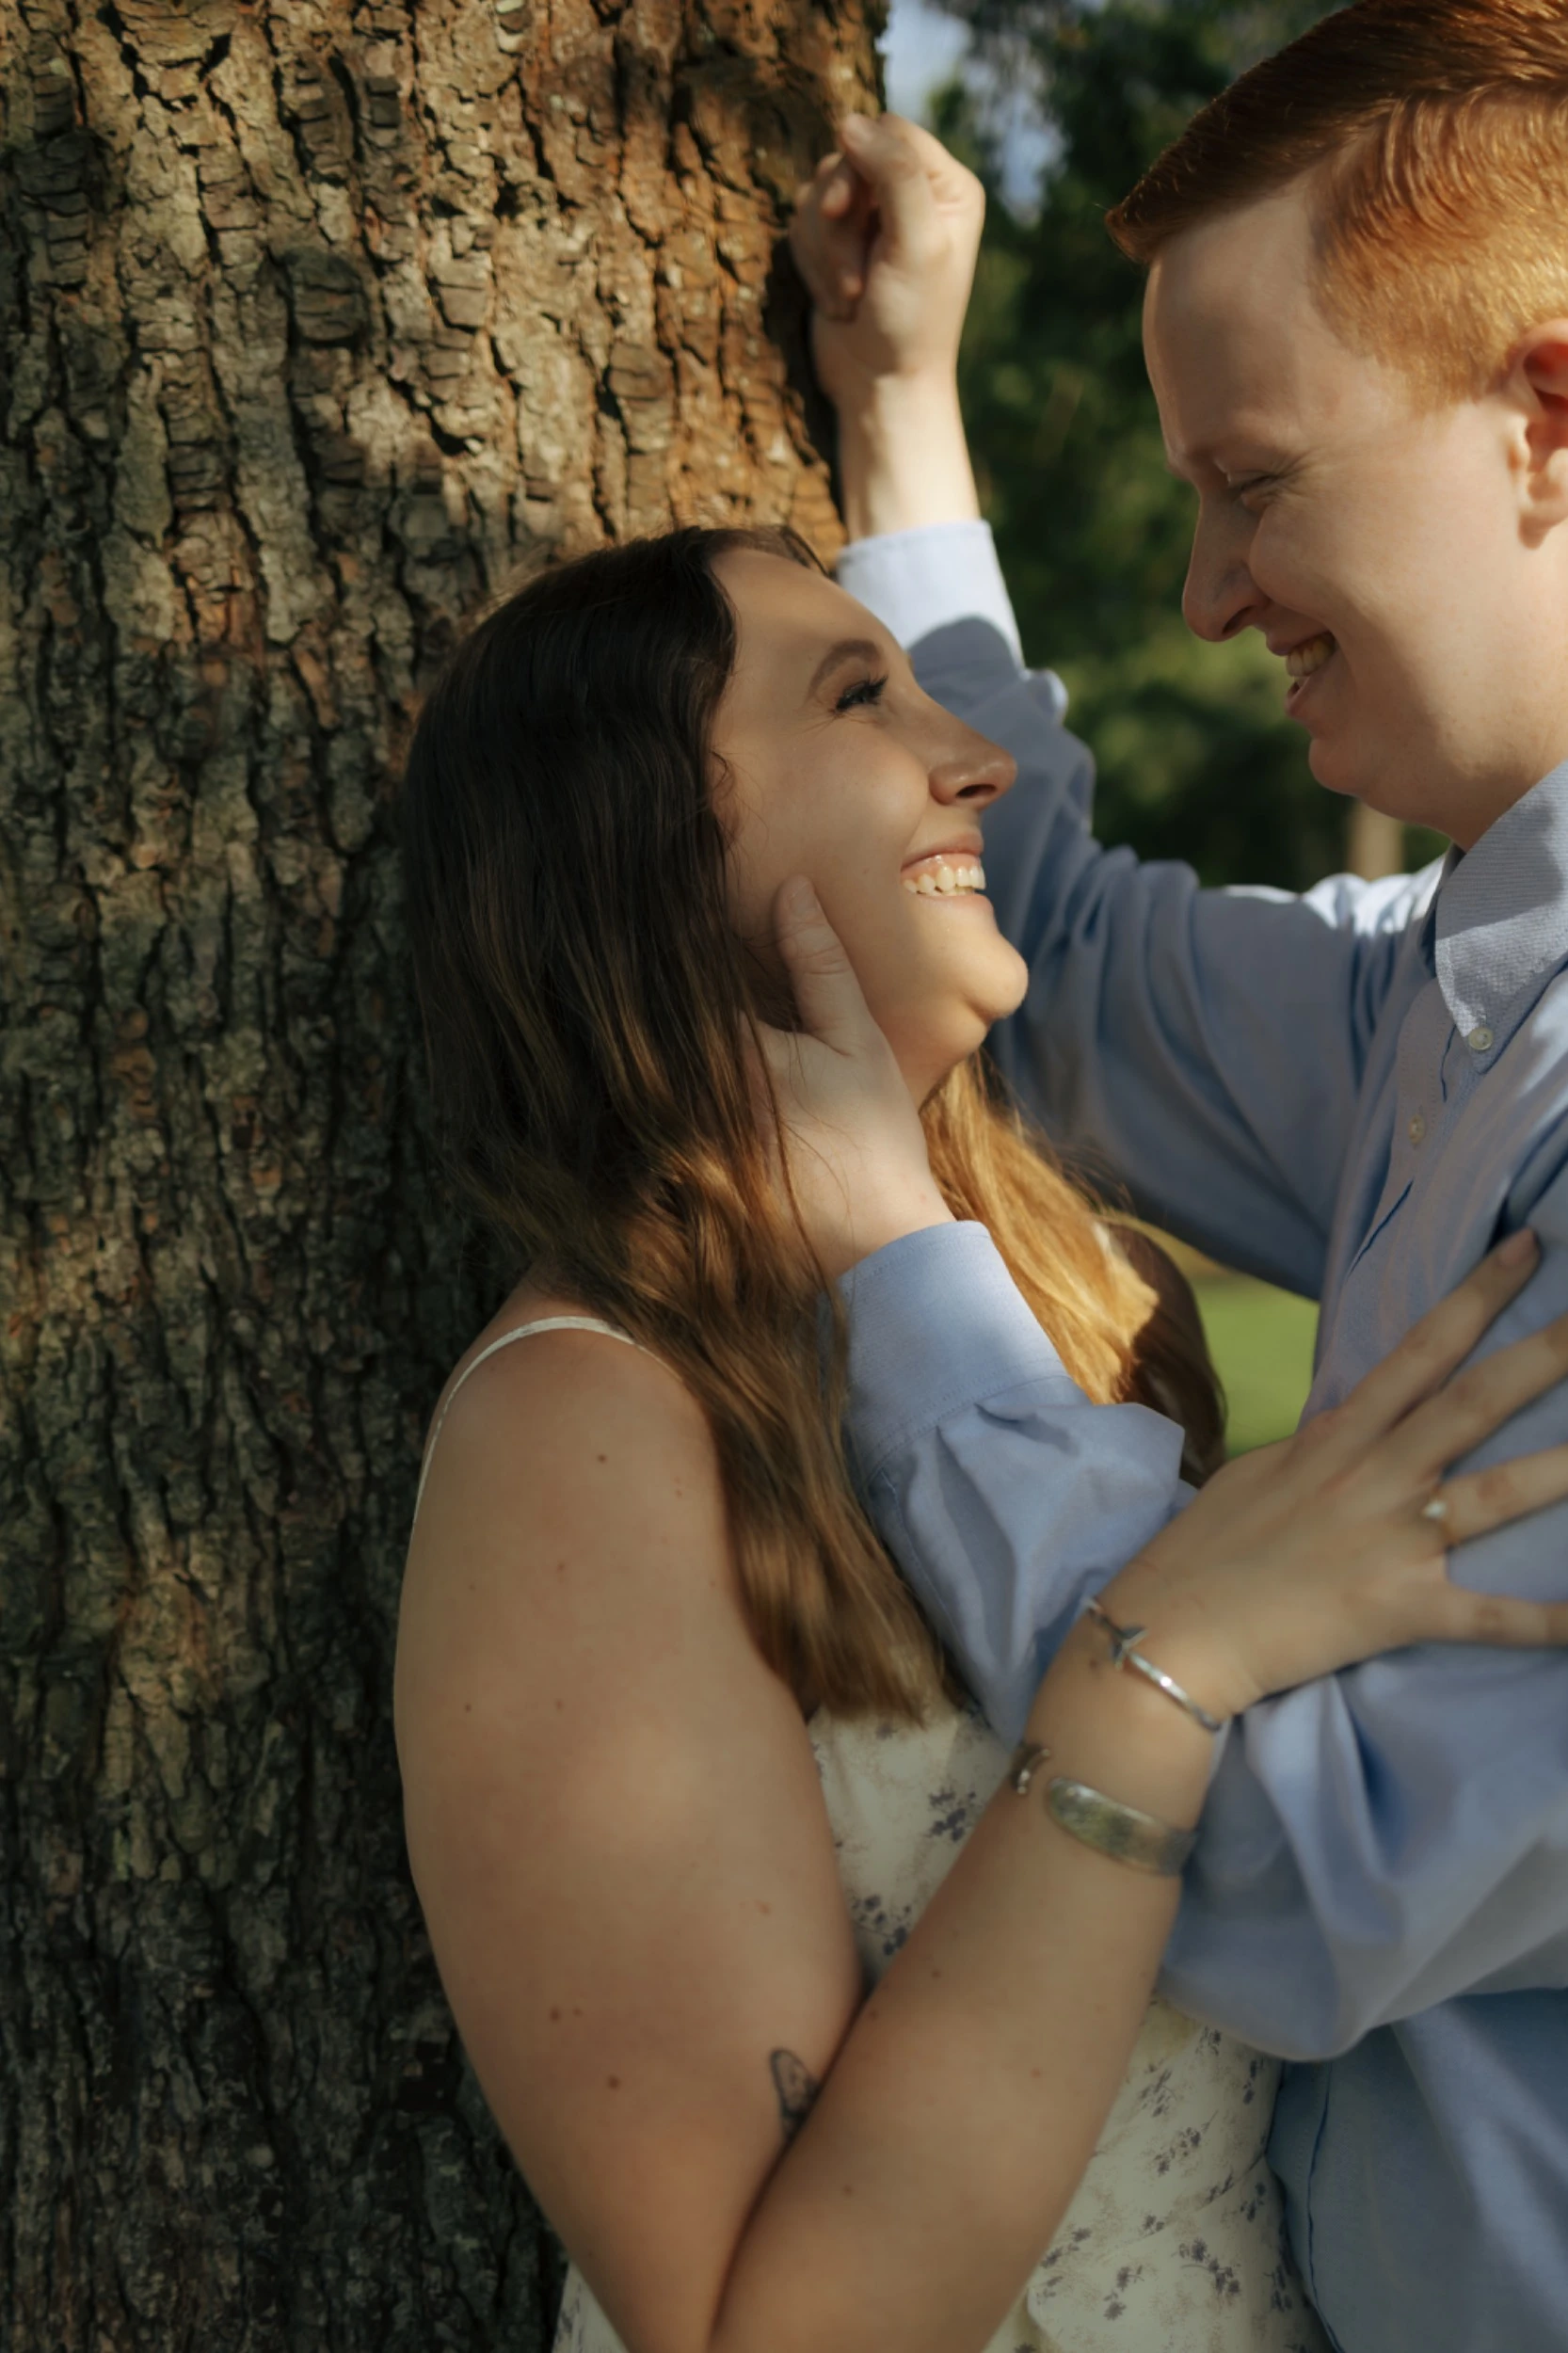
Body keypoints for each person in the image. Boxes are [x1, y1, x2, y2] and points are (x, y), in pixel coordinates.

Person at [393, 522, 1568, 2353]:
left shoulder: (1093, 1303)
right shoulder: (588, 1423)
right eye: (860, 697)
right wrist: (1154, 1673)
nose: (978, 759)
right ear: (638, 836)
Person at [781, 5, 1568, 2349]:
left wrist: (888, 1264)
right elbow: (1087, 980)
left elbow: (1282, 1868)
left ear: (1548, 416)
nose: (1213, 593)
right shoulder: (1444, 991)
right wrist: (896, 415)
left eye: (1254, 479)